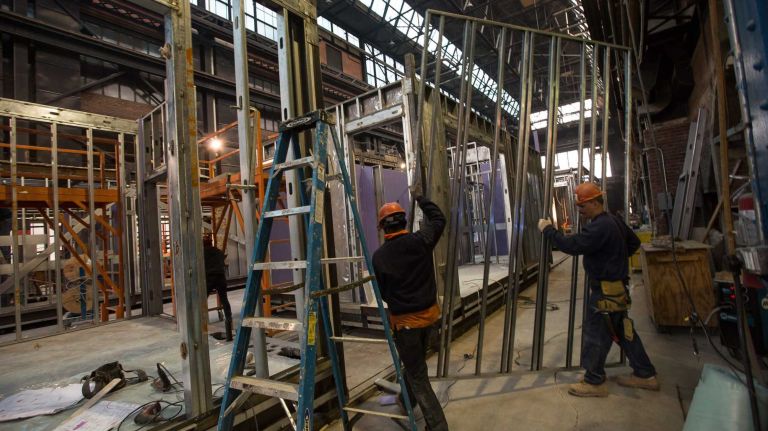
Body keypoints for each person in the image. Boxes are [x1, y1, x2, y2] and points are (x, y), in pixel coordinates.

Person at [538, 182, 658, 397]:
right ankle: (646, 374)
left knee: (594, 335)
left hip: (605, 293)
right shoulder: (615, 222)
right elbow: (633, 243)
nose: (580, 212)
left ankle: (594, 381)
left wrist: (547, 230)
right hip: (617, 290)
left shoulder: (600, 226)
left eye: (583, 207)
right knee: (623, 332)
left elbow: (572, 246)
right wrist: (614, 258)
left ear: (595, 202)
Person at [372, 194, 449, 431]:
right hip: (430, 319)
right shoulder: (421, 241)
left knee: (418, 377)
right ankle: (406, 401)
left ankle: (438, 426)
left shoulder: (379, 257)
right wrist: (421, 198)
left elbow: (383, 294)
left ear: (383, 227)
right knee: (415, 366)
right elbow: (439, 219)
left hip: (405, 325)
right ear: (404, 222)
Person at [203, 233, 233, 342]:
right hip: (220, 278)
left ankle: (201, 322)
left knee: (202, 300)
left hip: (209, 279)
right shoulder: (218, 252)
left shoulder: (202, 253)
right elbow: (223, 260)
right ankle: (229, 321)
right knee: (224, 300)